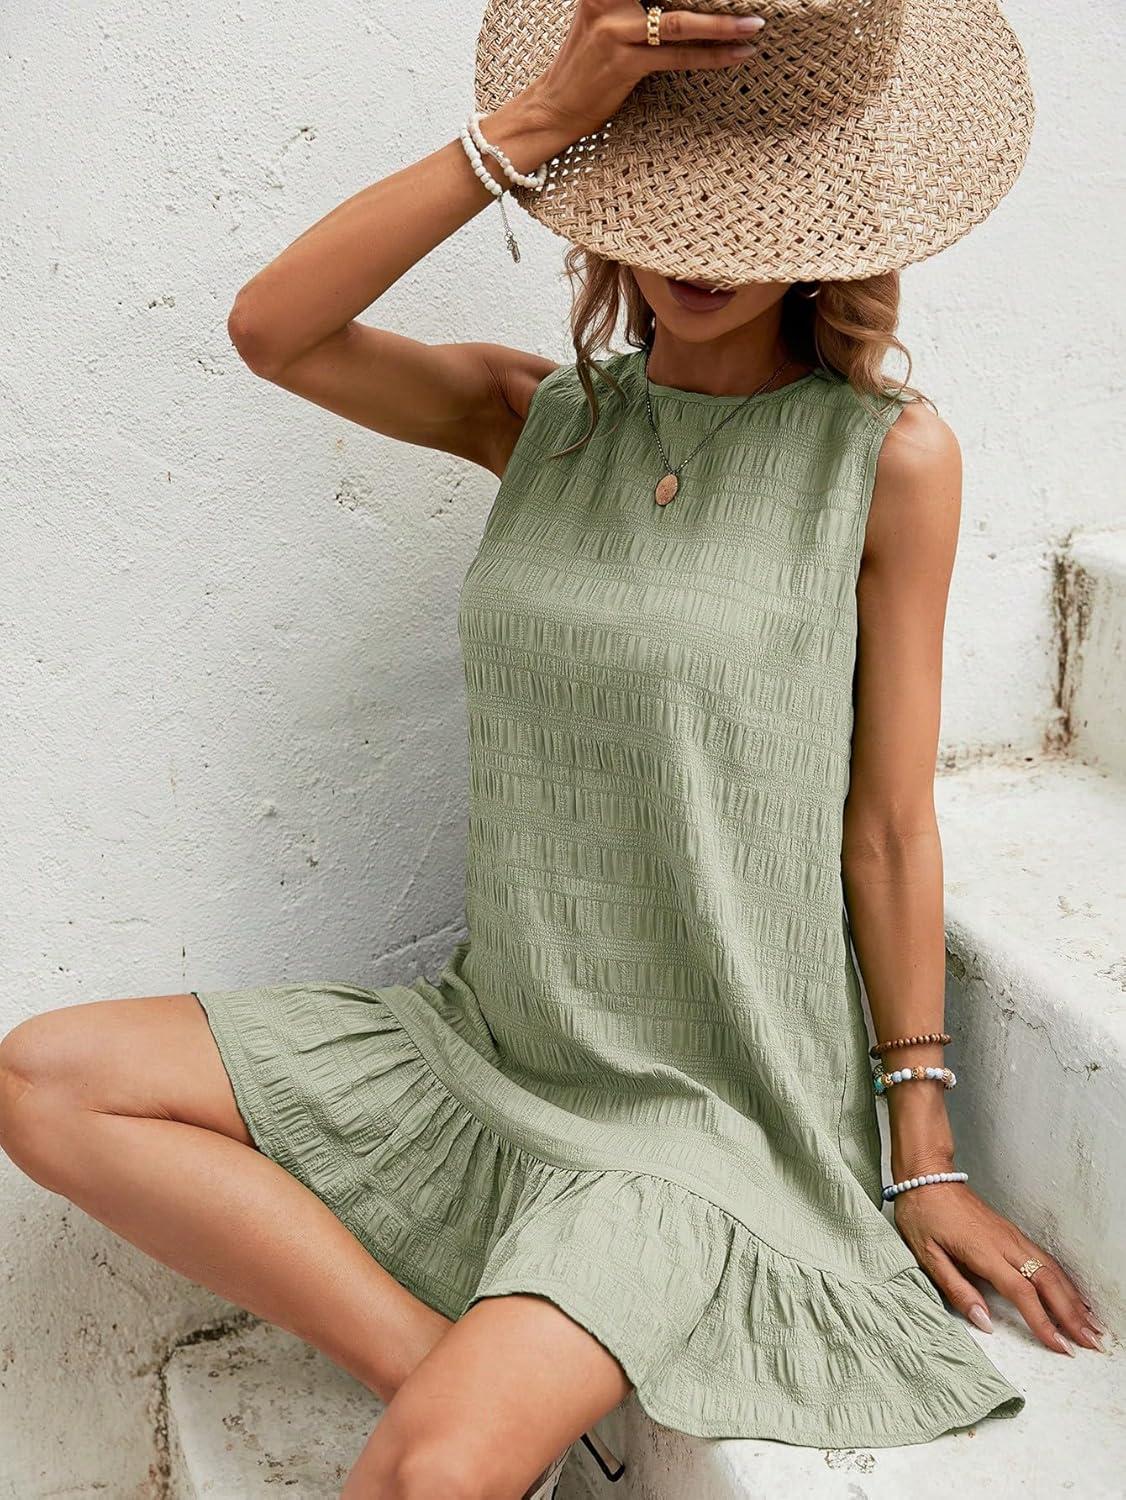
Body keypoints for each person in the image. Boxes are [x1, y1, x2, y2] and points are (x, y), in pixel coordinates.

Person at [0, 3, 1106, 1498]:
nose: (703, 251)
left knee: (426, 1478)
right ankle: (425, 1356)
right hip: (496, 1042)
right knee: (47, 1078)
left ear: (827, 229)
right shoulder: (539, 420)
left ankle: (474, 1395)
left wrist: (924, 1154)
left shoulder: (883, 457)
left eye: (751, 211)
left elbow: (889, 823)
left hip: (702, 1120)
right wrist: (533, 124)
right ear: (607, 199)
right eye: (666, 200)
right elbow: (274, 330)